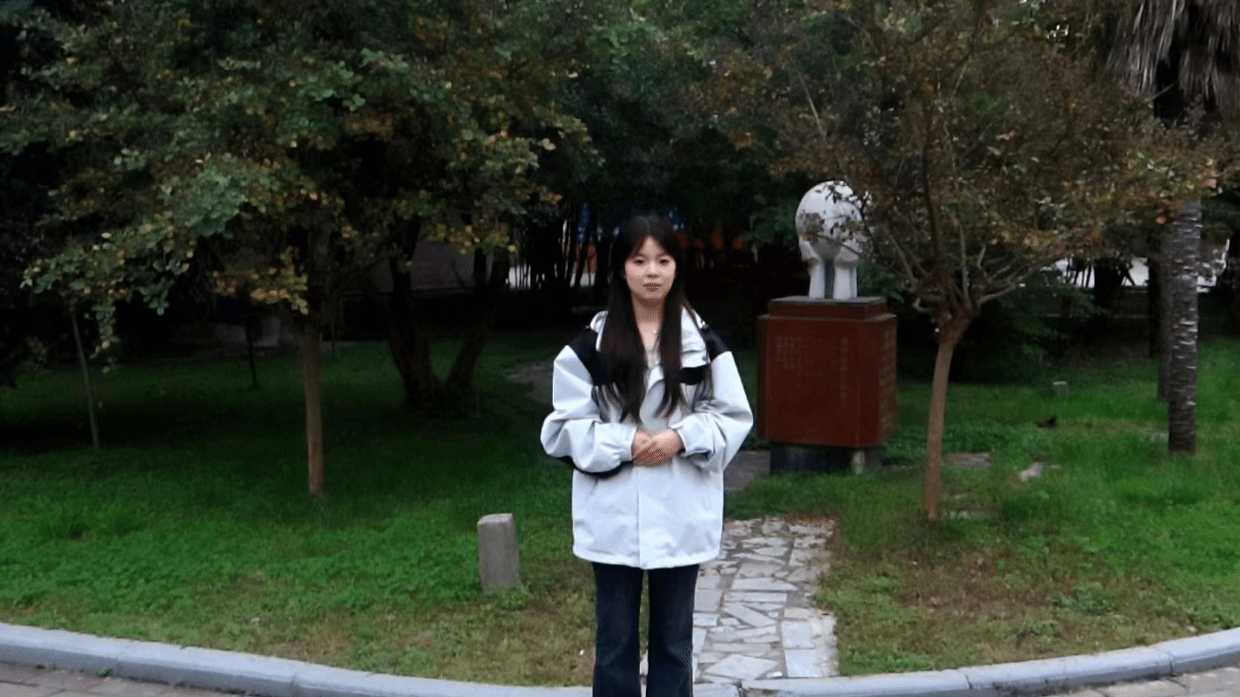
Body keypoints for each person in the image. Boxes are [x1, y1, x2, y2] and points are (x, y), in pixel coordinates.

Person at [541, 213, 754, 697]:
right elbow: (562, 429)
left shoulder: (702, 343)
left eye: (663, 260)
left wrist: (681, 437)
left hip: (681, 508)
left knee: (674, 645)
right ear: (621, 269)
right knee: (615, 644)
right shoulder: (589, 347)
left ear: (677, 267)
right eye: (639, 261)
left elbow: (733, 416)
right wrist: (626, 443)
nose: (652, 272)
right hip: (613, 512)